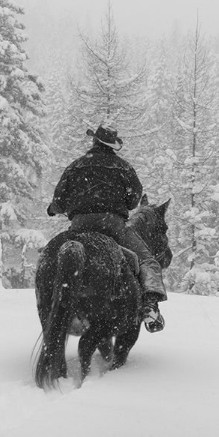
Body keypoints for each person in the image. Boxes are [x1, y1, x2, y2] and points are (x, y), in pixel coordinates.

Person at [46, 124, 167, 333]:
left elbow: (59, 200)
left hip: (79, 226)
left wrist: (53, 209)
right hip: (114, 227)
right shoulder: (124, 168)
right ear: (112, 145)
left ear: (94, 142)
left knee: (48, 255)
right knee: (147, 260)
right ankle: (149, 307)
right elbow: (133, 201)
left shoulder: (75, 167)